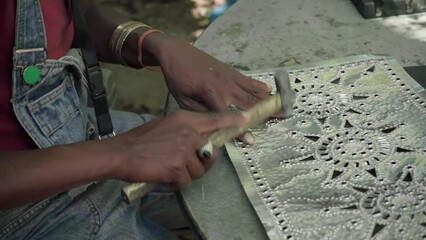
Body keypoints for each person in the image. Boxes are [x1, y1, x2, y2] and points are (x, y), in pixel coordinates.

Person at [0, 0, 272, 239]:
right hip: (20, 211)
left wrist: (153, 44)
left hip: (78, 130)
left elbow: (66, 14)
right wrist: (122, 153)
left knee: (263, 165)